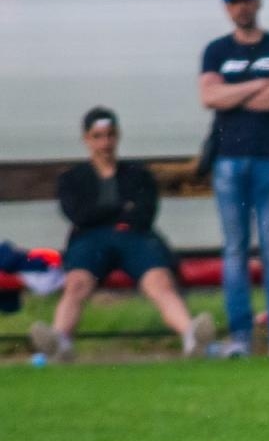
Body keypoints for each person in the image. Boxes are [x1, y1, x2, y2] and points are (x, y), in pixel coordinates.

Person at [29, 108, 216, 360]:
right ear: (87, 139)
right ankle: (60, 340)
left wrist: (102, 213)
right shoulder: (72, 178)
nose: (105, 143)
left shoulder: (138, 174)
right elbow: (77, 215)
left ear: (117, 137)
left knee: (159, 281)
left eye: (110, 135)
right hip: (91, 240)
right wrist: (121, 209)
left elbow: (144, 213)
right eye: (98, 136)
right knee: (76, 283)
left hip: (134, 238)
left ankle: (190, 335)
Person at [199, 0, 269, 359]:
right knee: (235, 249)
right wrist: (259, 84)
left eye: (247, 1)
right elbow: (210, 96)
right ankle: (240, 334)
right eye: (234, 2)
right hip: (228, 161)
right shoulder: (215, 51)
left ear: (259, 3)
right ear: (227, 8)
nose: (241, 7)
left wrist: (235, 93)